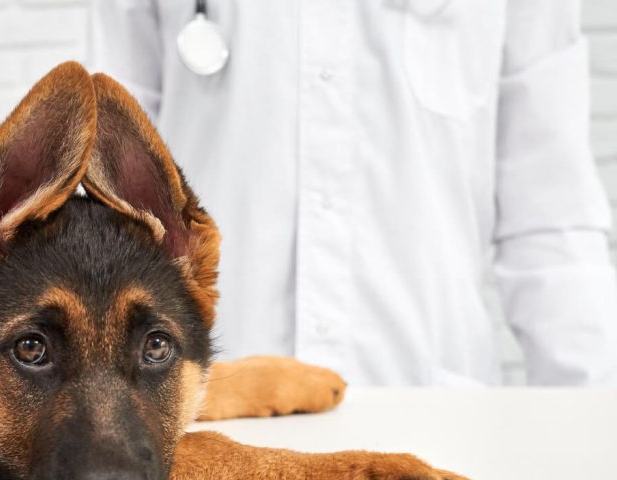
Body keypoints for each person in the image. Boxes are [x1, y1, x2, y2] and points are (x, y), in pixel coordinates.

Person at [87, 0, 617, 386]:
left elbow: (550, 215)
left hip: (432, 408)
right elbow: (105, 189)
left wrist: (591, 432)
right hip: (222, 410)